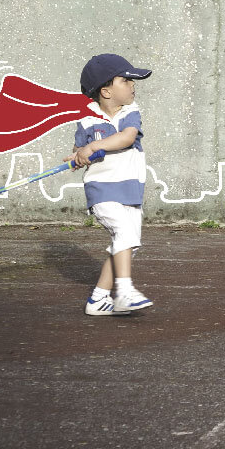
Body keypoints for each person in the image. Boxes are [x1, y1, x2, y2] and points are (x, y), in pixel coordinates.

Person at [64, 53, 153, 315]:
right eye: (125, 80)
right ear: (106, 91)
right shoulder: (87, 120)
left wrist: (94, 145)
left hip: (131, 190)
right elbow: (79, 149)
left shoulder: (130, 112)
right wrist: (78, 156)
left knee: (127, 244)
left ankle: (99, 300)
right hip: (102, 189)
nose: (132, 84)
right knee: (124, 235)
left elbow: (126, 138)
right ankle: (124, 291)